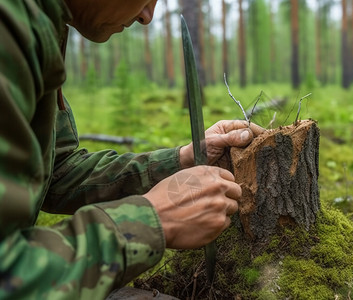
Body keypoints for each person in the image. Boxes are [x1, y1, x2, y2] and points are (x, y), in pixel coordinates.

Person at [0, 0, 264, 299]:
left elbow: (57, 170)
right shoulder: (10, 28)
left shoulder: (40, 24)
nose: (147, 16)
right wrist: (151, 221)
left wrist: (180, 160)